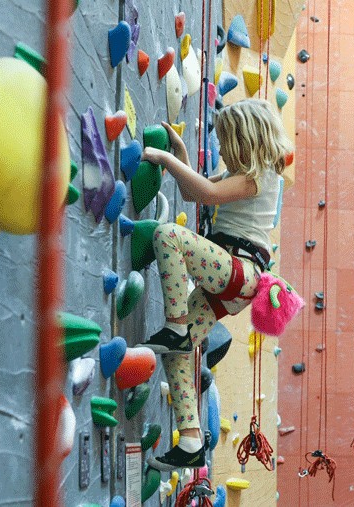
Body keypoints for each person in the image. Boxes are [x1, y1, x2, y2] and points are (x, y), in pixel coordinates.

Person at [136, 99, 293, 471]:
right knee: (179, 352)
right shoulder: (241, 173)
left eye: (225, 140)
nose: (221, 147)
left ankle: (175, 326)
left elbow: (207, 194)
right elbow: (195, 193)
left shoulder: (260, 177)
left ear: (243, 139)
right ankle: (191, 439)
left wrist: (164, 160)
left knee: (168, 236)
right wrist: (183, 155)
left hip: (239, 269)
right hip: (234, 276)